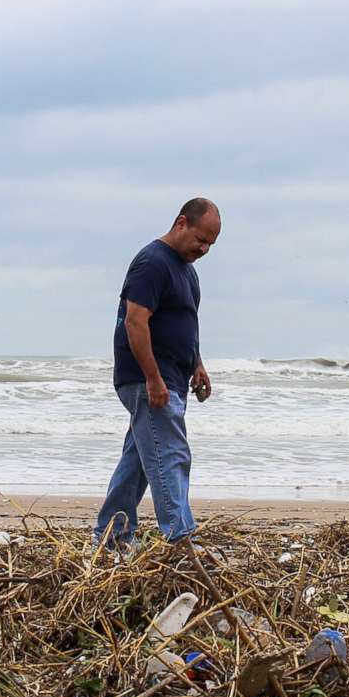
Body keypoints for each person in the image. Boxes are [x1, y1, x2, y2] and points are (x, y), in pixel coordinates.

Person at [94, 198, 220, 545]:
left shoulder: (186, 271)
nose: (205, 248)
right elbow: (135, 322)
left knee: (136, 464)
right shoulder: (152, 262)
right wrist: (153, 378)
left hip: (173, 378)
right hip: (148, 380)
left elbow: (182, 323)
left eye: (211, 243)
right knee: (172, 456)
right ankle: (181, 541)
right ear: (181, 223)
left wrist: (197, 363)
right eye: (201, 239)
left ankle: (111, 538)